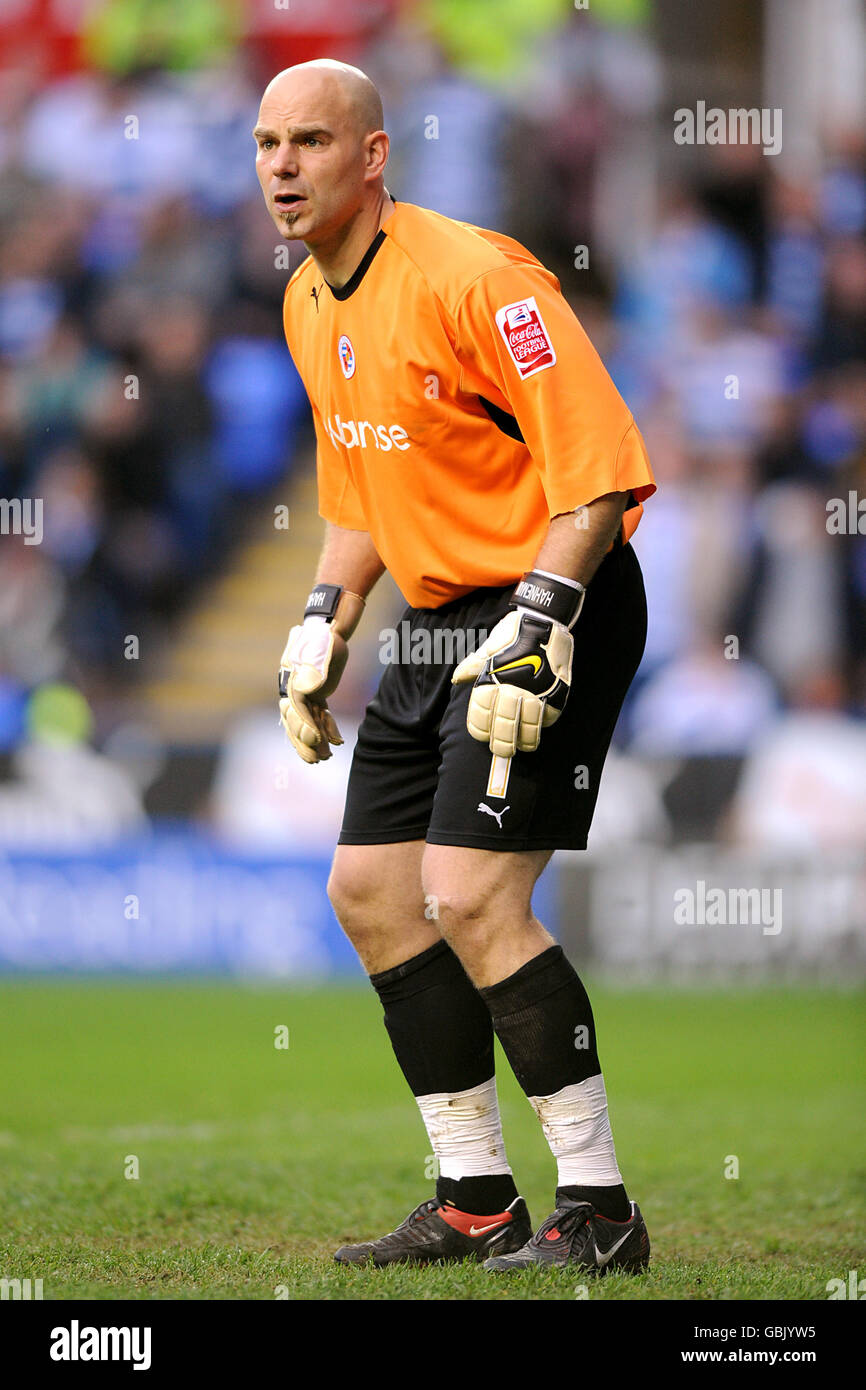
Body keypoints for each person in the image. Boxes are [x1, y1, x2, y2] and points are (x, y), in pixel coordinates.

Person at [255, 58, 656, 1274]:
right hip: (430, 619)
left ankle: (599, 1210)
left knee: (471, 896)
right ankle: (474, 1198)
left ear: (372, 156)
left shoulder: (476, 277)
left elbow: (591, 471)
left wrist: (540, 619)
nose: (281, 167)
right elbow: (364, 487)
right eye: (267, 144)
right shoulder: (305, 303)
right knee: (373, 894)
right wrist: (326, 614)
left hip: (550, 594)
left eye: (310, 142)